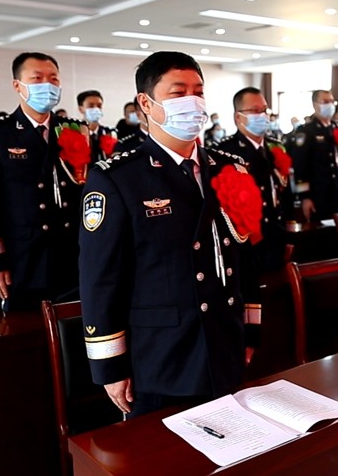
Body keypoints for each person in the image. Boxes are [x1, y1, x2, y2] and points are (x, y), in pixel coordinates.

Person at [79, 51, 260, 417]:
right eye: (178, 93)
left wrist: (249, 330)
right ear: (146, 103)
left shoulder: (229, 168)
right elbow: (101, 278)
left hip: (224, 341)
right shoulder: (117, 177)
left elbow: (245, 258)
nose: (192, 102)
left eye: (198, 92)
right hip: (163, 355)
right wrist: (110, 366)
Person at [0, 52, 84, 311]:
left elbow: (84, 189)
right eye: (37, 78)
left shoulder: (74, 130)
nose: (48, 85)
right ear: (17, 85)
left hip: (71, 250)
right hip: (23, 254)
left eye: (53, 79)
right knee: (27, 326)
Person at [214, 86, 287, 271]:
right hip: (247, 242)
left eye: (264, 110)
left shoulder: (275, 147)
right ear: (238, 117)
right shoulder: (224, 152)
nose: (262, 115)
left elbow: (283, 190)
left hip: (276, 233)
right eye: (255, 110)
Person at [290, 90, 338, 221]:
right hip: (318, 194)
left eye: (332, 102)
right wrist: (305, 197)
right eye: (325, 102)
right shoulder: (306, 131)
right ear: (315, 105)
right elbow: (300, 166)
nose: (329, 105)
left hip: (337, 191)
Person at [77, 89, 116, 164]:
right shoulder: (74, 134)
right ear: (81, 109)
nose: (96, 109)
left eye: (99, 106)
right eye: (91, 106)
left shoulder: (110, 133)